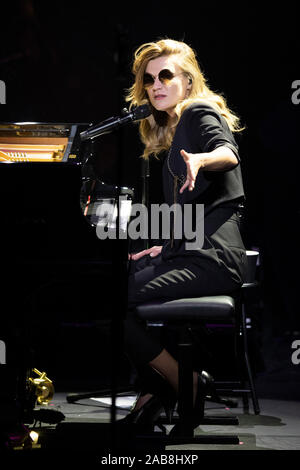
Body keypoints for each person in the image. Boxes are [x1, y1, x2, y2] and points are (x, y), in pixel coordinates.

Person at [122, 38, 248, 433]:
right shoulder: (176, 132)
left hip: (213, 258)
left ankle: (180, 384)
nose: (155, 85)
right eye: (148, 79)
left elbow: (227, 152)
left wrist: (202, 158)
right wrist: (165, 244)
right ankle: (165, 386)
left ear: (188, 83)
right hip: (191, 250)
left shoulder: (198, 112)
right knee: (107, 292)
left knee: (109, 300)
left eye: (165, 75)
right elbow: (198, 210)